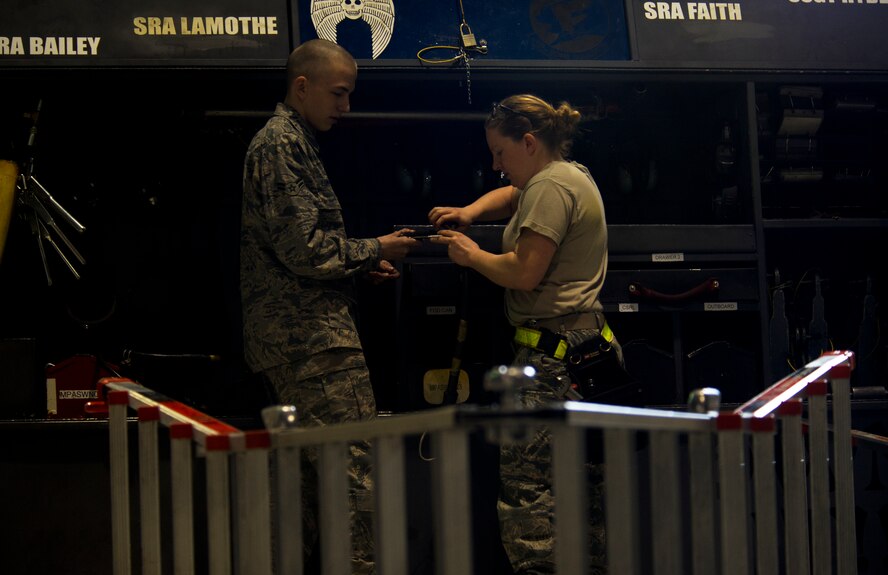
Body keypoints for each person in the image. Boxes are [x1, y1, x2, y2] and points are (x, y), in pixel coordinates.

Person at [240, 38, 418, 574]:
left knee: (303, 488)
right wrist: (376, 248)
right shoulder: (280, 145)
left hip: (297, 342)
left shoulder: (291, 142)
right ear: (302, 86)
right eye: (338, 93)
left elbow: (300, 248)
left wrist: (364, 265)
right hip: (312, 345)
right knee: (354, 477)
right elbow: (305, 251)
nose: (345, 106)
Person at [428, 94, 620, 574]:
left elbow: (524, 272)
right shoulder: (568, 176)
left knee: (529, 500)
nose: (496, 165)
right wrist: (470, 211)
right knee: (584, 497)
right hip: (588, 353)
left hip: (552, 362)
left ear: (529, 142)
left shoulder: (550, 188)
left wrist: (471, 254)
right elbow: (514, 197)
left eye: (500, 153)